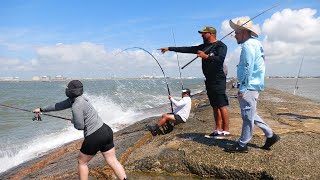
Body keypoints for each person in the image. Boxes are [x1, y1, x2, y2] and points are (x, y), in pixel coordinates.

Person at [32, 80, 127, 180]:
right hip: (105, 130)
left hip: (95, 136)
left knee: (82, 162)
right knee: (112, 160)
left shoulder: (76, 105)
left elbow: (80, 126)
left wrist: (74, 121)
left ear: (70, 91)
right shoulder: (81, 98)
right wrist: (41, 109)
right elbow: (58, 106)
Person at [159, 26, 230, 139]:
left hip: (218, 79)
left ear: (211, 34)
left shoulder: (221, 46)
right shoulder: (203, 46)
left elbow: (219, 59)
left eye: (203, 33)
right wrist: (169, 48)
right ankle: (218, 130)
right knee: (214, 106)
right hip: (209, 80)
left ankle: (226, 131)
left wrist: (205, 56)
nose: (201, 35)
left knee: (222, 105)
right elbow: (187, 49)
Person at [225, 18, 280, 153]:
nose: (235, 36)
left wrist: (242, 88)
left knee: (247, 116)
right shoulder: (257, 43)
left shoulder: (247, 46)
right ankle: (270, 135)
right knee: (251, 113)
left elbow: (248, 67)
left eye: (236, 33)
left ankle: (243, 144)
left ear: (243, 32)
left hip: (249, 85)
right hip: (255, 83)